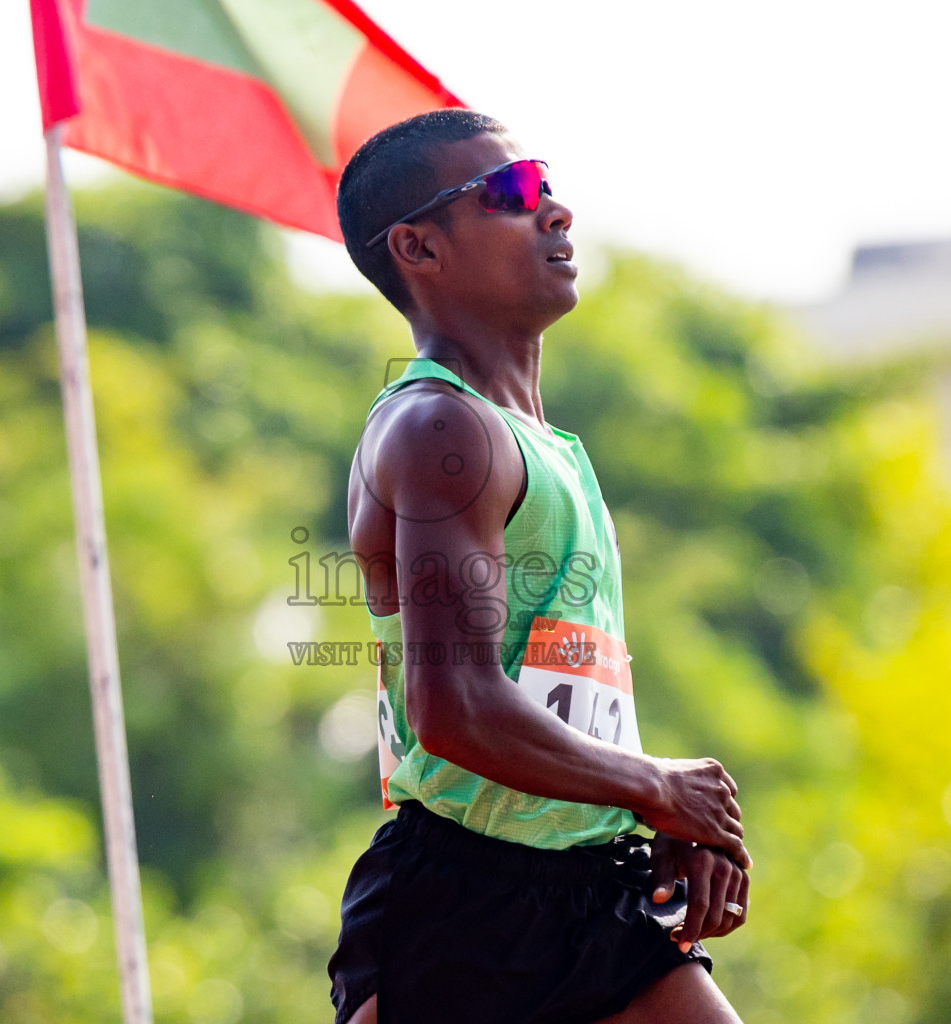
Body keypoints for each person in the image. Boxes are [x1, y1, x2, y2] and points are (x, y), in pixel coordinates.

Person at [328, 109, 751, 1024]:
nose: (554, 212)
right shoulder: (440, 429)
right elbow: (458, 708)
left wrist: (659, 816)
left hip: (594, 887)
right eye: (512, 196)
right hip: (460, 898)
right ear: (418, 248)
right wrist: (660, 788)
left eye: (547, 185)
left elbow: (560, 686)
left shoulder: (547, 447)